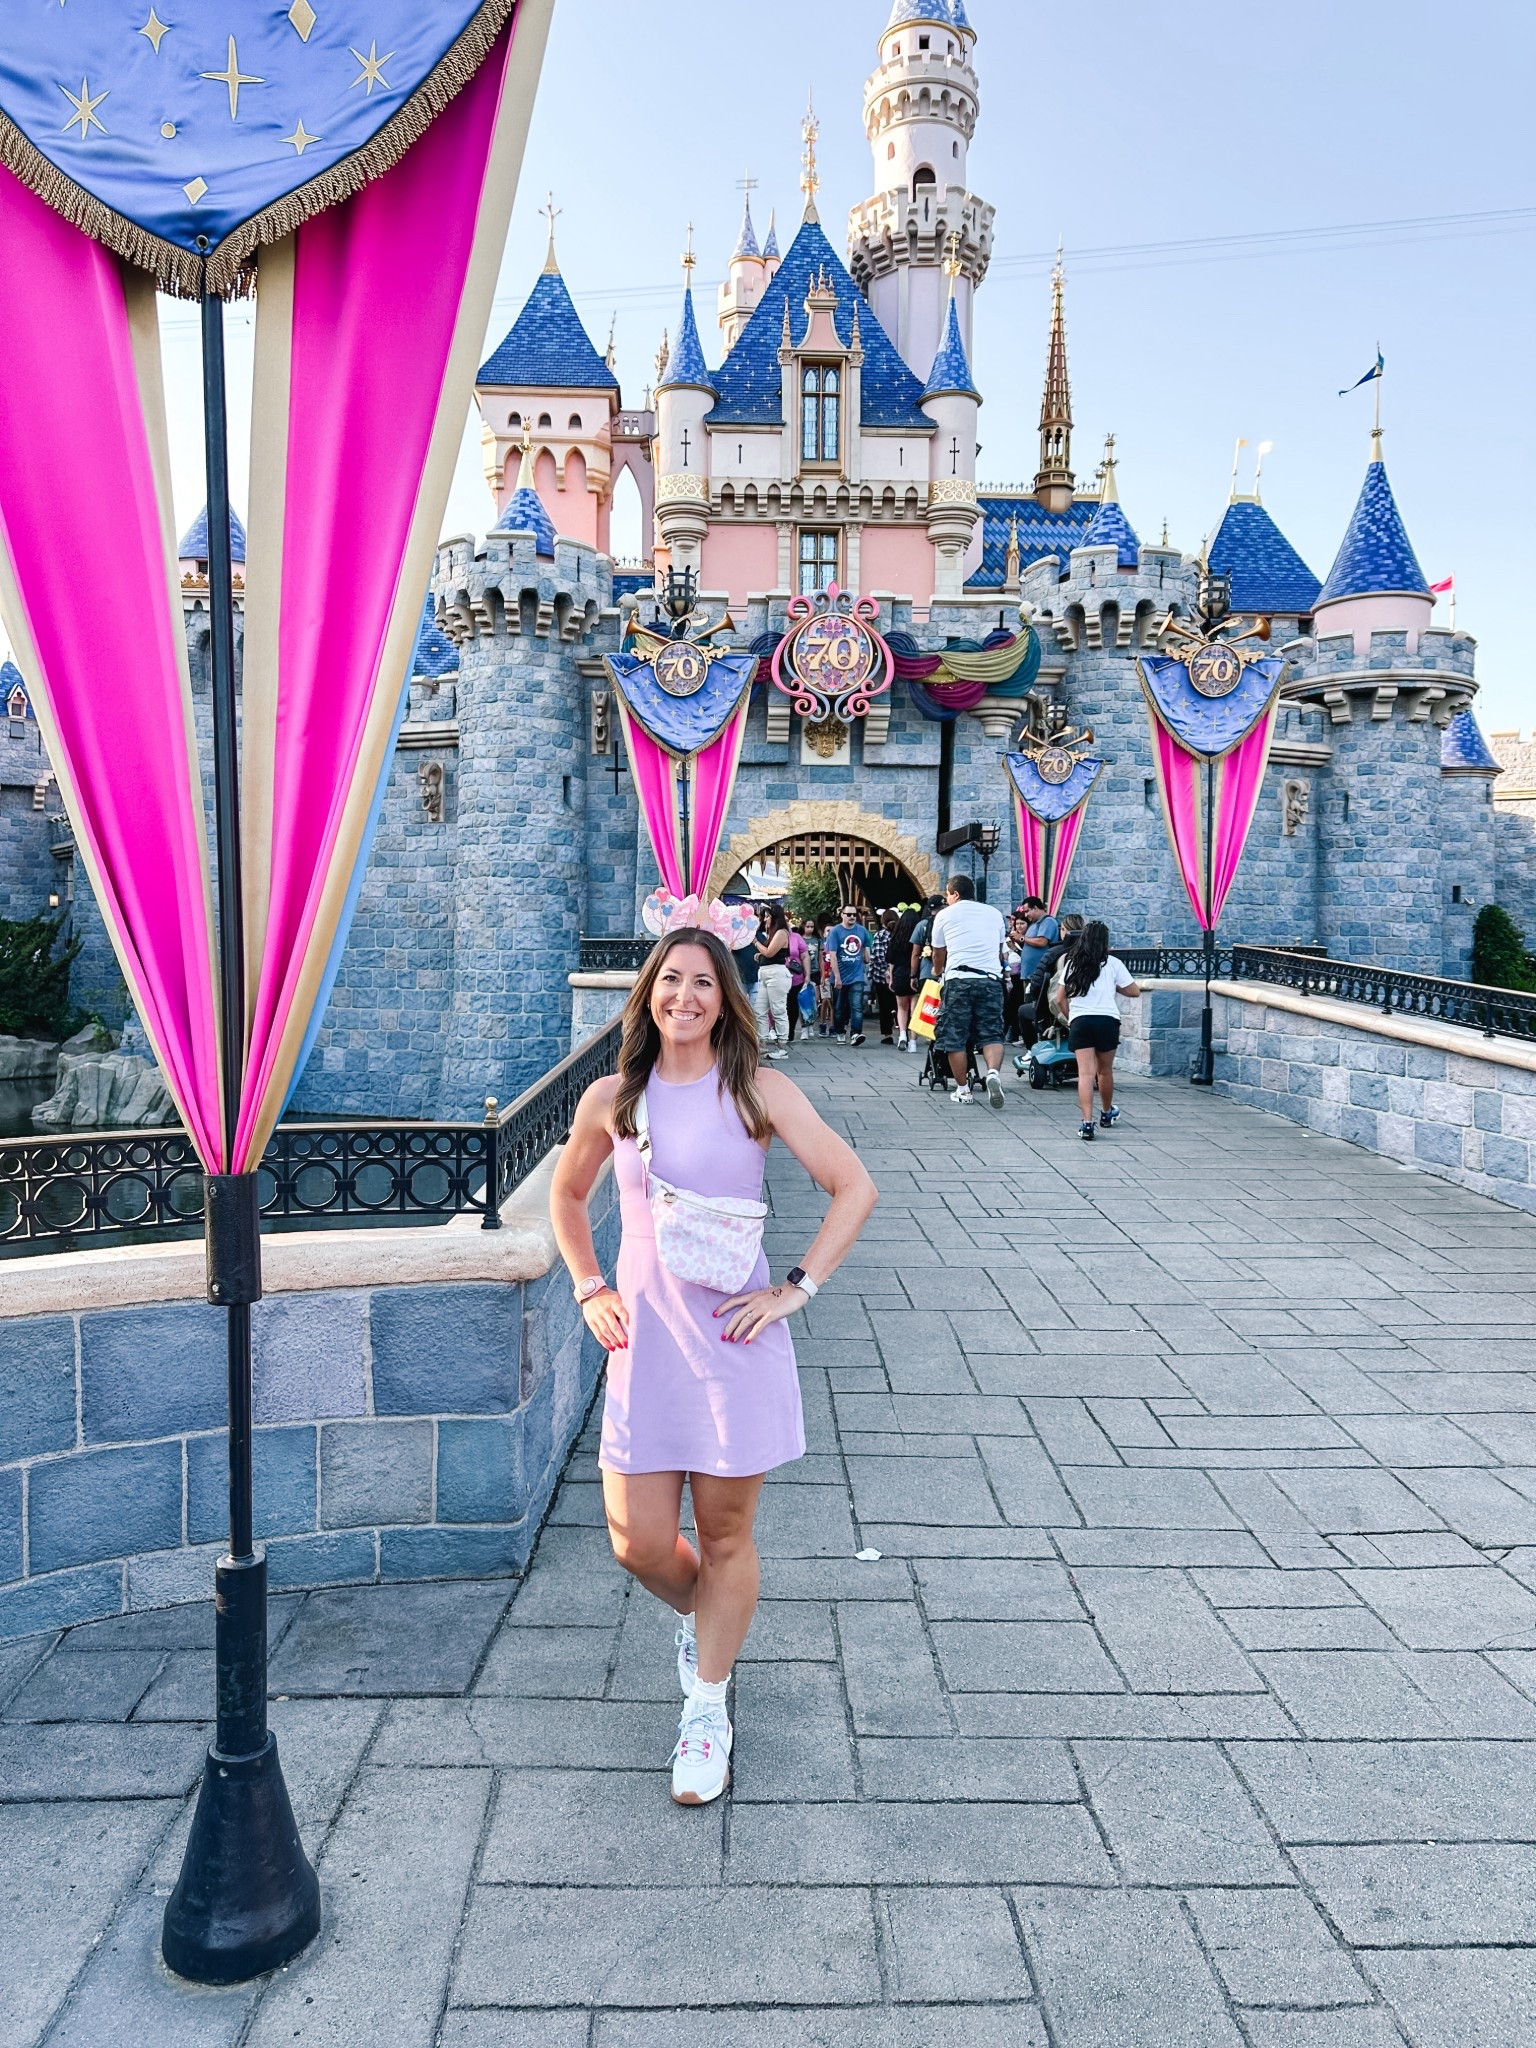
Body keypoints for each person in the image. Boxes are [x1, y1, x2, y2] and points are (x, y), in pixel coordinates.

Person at [550, 924, 877, 1804]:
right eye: (670, 981)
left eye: (702, 983)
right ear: (648, 993)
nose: (684, 998)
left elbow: (855, 1186)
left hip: (734, 1345)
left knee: (726, 1536)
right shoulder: (613, 1099)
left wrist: (797, 1289)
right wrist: (587, 1285)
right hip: (644, 1346)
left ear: (724, 998)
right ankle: (709, 1626)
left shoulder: (758, 1090)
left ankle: (708, 1707)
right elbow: (567, 1194)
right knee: (638, 1543)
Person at [1060, 919, 1142, 1140]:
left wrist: (1071, 1018)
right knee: (1104, 1071)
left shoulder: (1072, 964)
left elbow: (1060, 998)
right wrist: (1113, 986)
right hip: (1107, 1020)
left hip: (1081, 1020)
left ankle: (1087, 1123)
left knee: (1084, 1074)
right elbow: (1134, 991)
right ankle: (1106, 1113)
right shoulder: (1113, 964)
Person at [931, 873, 1008, 1107]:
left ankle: (963, 1090)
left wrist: (937, 970)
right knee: (992, 1032)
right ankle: (992, 1073)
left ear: (955, 893)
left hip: (959, 980)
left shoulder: (945, 914)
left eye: (948, 894)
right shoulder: (994, 913)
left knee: (955, 1037)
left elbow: (938, 952)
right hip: (990, 979)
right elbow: (1000, 951)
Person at [752, 904, 793, 1060]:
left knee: (778, 1010)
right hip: (766, 973)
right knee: (759, 1010)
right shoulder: (772, 933)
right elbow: (768, 953)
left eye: (768, 916)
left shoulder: (782, 932)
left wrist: (755, 943)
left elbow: (769, 952)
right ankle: (761, 1044)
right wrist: (759, 955)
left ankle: (782, 1047)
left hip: (776, 974)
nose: (765, 919)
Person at [828, 903, 871, 1046]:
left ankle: (856, 1033)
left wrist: (866, 957)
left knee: (857, 1006)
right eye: (849, 914)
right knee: (839, 1008)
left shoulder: (862, 931)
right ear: (842, 915)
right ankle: (840, 1032)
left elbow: (865, 947)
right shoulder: (835, 932)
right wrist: (837, 977)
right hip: (840, 976)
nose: (852, 917)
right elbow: (832, 956)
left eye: (854, 914)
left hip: (857, 976)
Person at [890, 902, 919, 1049]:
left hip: (899, 975)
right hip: (915, 974)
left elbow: (891, 959)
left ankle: (902, 1035)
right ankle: (913, 1041)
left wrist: (891, 977)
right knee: (915, 1010)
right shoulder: (918, 936)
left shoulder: (896, 937)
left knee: (901, 1008)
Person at [867, 911, 896, 1044]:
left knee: (884, 1007)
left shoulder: (880, 935)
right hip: (899, 975)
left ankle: (887, 1035)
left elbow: (877, 956)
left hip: (881, 977)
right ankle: (904, 1032)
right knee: (901, 1006)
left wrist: (883, 971)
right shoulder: (901, 934)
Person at [785, 919, 808, 1044]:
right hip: (779, 977)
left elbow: (805, 956)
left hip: (796, 977)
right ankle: (780, 1031)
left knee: (793, 1004)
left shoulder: (796, 937)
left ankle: (790, 1031)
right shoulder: (773, 935)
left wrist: (807, 974)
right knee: (780, 1006)